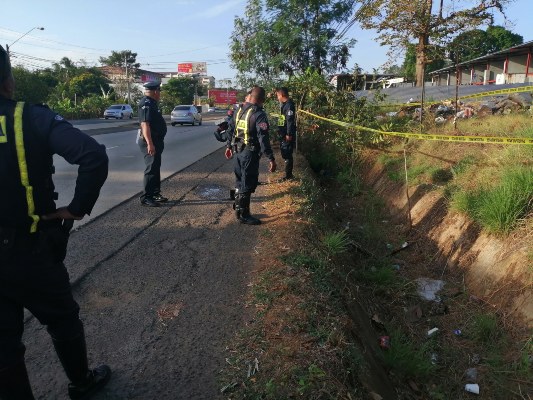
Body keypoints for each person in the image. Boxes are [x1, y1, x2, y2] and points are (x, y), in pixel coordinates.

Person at [0, 45, 111, 399]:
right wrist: (76, 209)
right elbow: (92, 154)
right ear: (8, 81)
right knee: (62, 319)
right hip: (30, 250)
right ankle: (82, 382)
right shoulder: (29, 117)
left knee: (3, 344)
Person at [225, 86, 276, 225]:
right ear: (262, 100)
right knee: (247, 183)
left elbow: (230, 129)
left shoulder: (239, 109)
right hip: (249, 153)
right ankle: (244, 215)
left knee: (239, 180)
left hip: (237, 151)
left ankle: (238, 210)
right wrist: (271, 157)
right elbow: (263, 139)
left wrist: (228, 146)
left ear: (250, 96)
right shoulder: (259, 114)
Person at [138, 81, 167, 207]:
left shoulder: (152, 103)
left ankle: (155, 193)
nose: (159, 94)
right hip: (150, 141)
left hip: (156, 141)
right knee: (151, 169)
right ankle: (146, 197)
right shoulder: (146, 103)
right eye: (159, 91)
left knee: (155, 167)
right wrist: (150, 143)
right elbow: (145, 124)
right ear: (155, 92)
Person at [275, 87, 297, 181]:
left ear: (282, 95)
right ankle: (288, 174)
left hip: (287, 134)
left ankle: (288, 176)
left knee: (287, 154)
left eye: (278, 96)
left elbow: (289, 121)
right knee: (285, 153)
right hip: (283, 133)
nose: (277, 98)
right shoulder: (284, 105)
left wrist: (289, 133)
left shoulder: (289, 105)